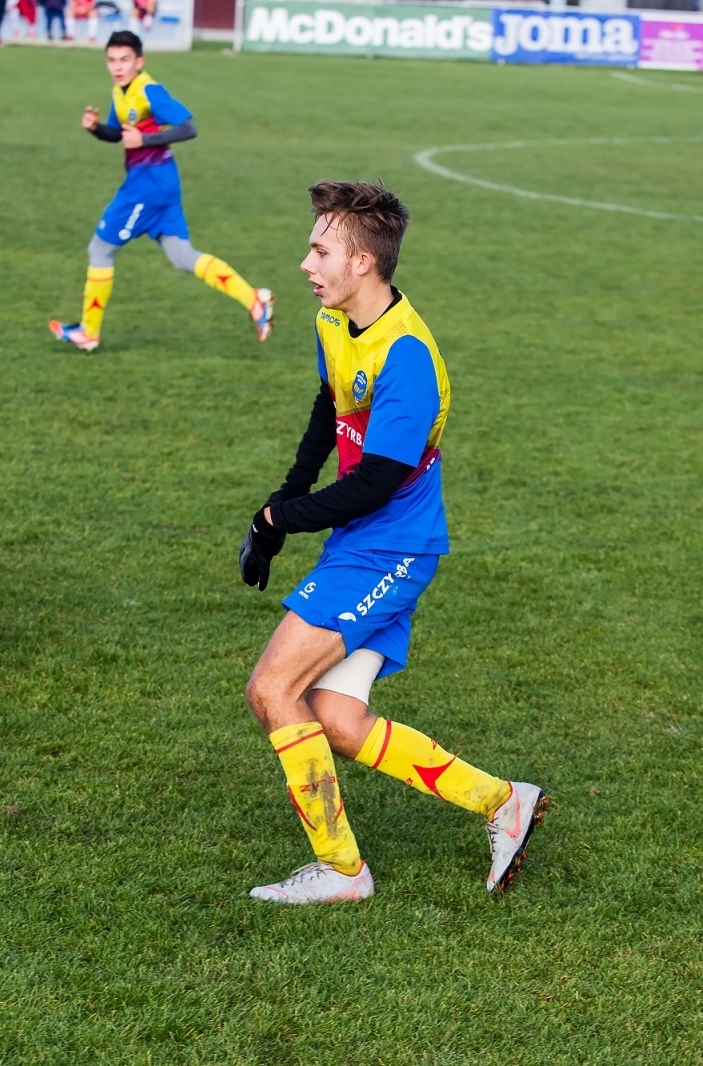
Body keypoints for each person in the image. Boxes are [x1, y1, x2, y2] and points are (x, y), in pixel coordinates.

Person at [237, 180, 547, 905]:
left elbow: (377, 482)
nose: (306, 264)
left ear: (363, 263)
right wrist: (280, 500)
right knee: (338, 721)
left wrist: (279, 522)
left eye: (320, 251)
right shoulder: (335, 320)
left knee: (273, 689)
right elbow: (329, 409)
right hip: (364, 541)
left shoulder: (407, 355)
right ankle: (503, 801)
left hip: (390, 548)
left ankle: (343, 871)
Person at [50, 32, 273, 352]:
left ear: (139, 61)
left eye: (125, 60)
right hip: (161, 183)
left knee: (100, 249)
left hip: (146, 187)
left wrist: (145, 140)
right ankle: (254, 299)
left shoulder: (149, 90)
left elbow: (188, 128)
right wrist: (96, 128)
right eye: (112, 60)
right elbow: (118, 134)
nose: (118, 66)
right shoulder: (120, 91)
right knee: (183, 257)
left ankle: (89, 332)